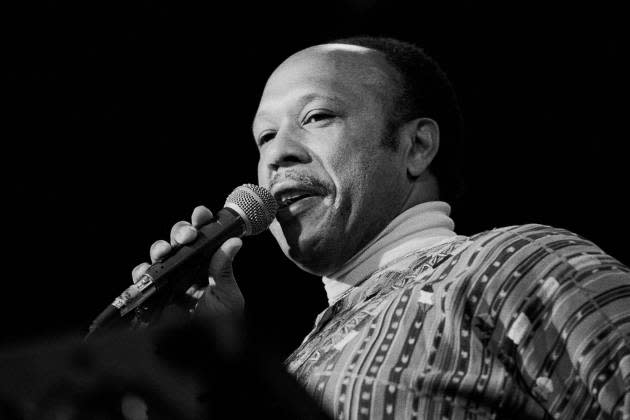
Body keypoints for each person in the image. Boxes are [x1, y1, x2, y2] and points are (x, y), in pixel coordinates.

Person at [132, 37, 630, 419]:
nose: (276, 155)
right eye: (264, 137)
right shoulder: (292, 365)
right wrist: (216, 361)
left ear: (416, 147)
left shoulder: (516, 263)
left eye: (317, 116)